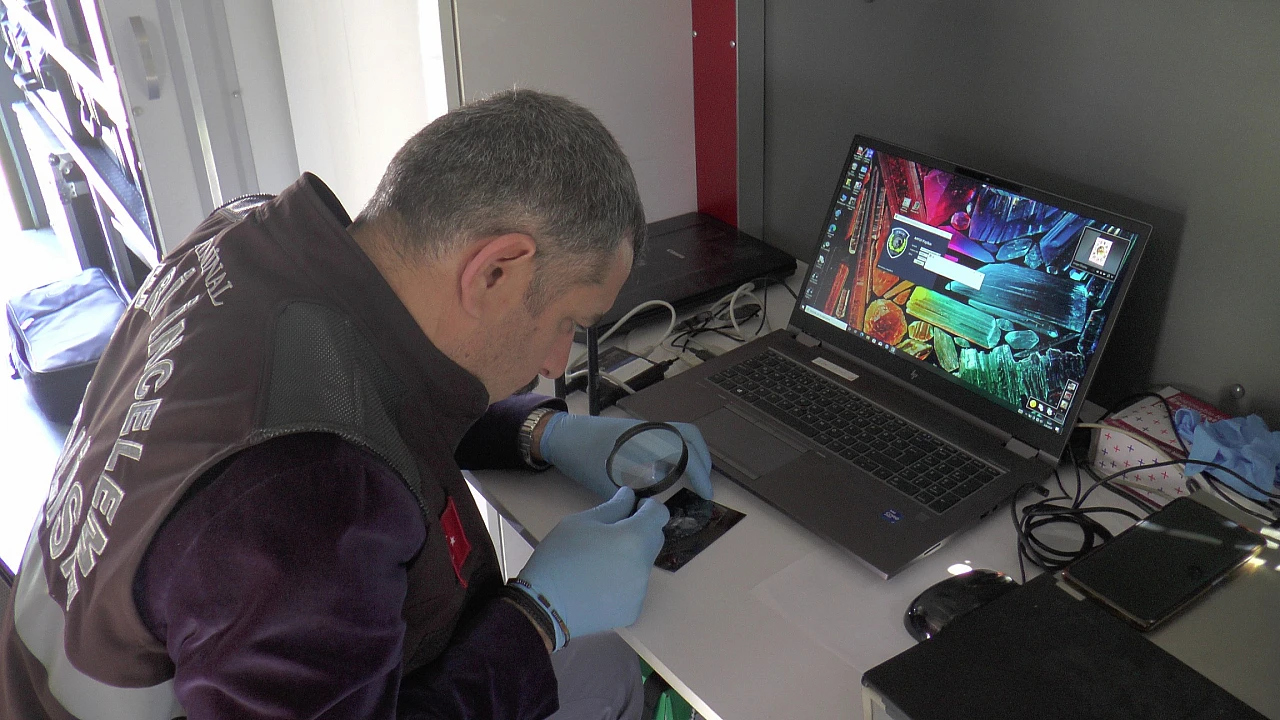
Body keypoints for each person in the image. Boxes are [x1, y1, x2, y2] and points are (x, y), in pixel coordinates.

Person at [0, 89, 713, 720]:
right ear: (495, 271)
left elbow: (369, 393)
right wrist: (536, 619)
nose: (558, 362)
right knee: (602, 671)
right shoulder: (304, 504)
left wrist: (541, 433)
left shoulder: (247, 242)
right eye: (569, 323)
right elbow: (323, 454)